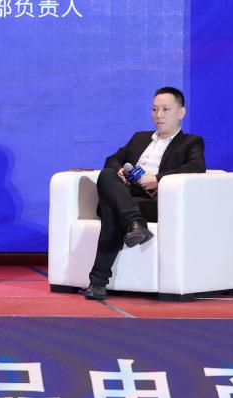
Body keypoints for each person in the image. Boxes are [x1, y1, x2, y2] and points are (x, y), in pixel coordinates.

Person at [83, 86, 206, 301]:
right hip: (127, 196)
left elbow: (197, 167)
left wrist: (158, 179)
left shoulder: (190, 142)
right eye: (154, 109)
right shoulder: (140, 138)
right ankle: (134, 223)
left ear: (181, 112)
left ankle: (98, 282)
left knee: (112, 212)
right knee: (107, 174)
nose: (159, 115)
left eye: (166, 109)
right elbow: (113, 159)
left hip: (153, 202)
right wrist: (120, 171)